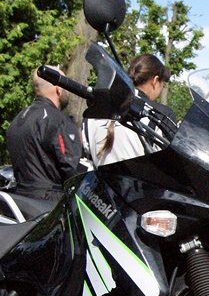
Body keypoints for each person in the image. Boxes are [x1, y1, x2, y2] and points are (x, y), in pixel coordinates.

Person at [6, 66, 85, 201]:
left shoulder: (17, 120)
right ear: (58, 89)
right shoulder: (58, 121)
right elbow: (73, 170)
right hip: (51, 203)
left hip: (21, 200)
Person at [84, 54, 174, 166]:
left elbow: (86, 163)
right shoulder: (160, 114)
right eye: (162, 84)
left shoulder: (92, 114)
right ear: (155, 81)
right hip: (139, 177)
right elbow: (172, 163)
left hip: (101, 177)